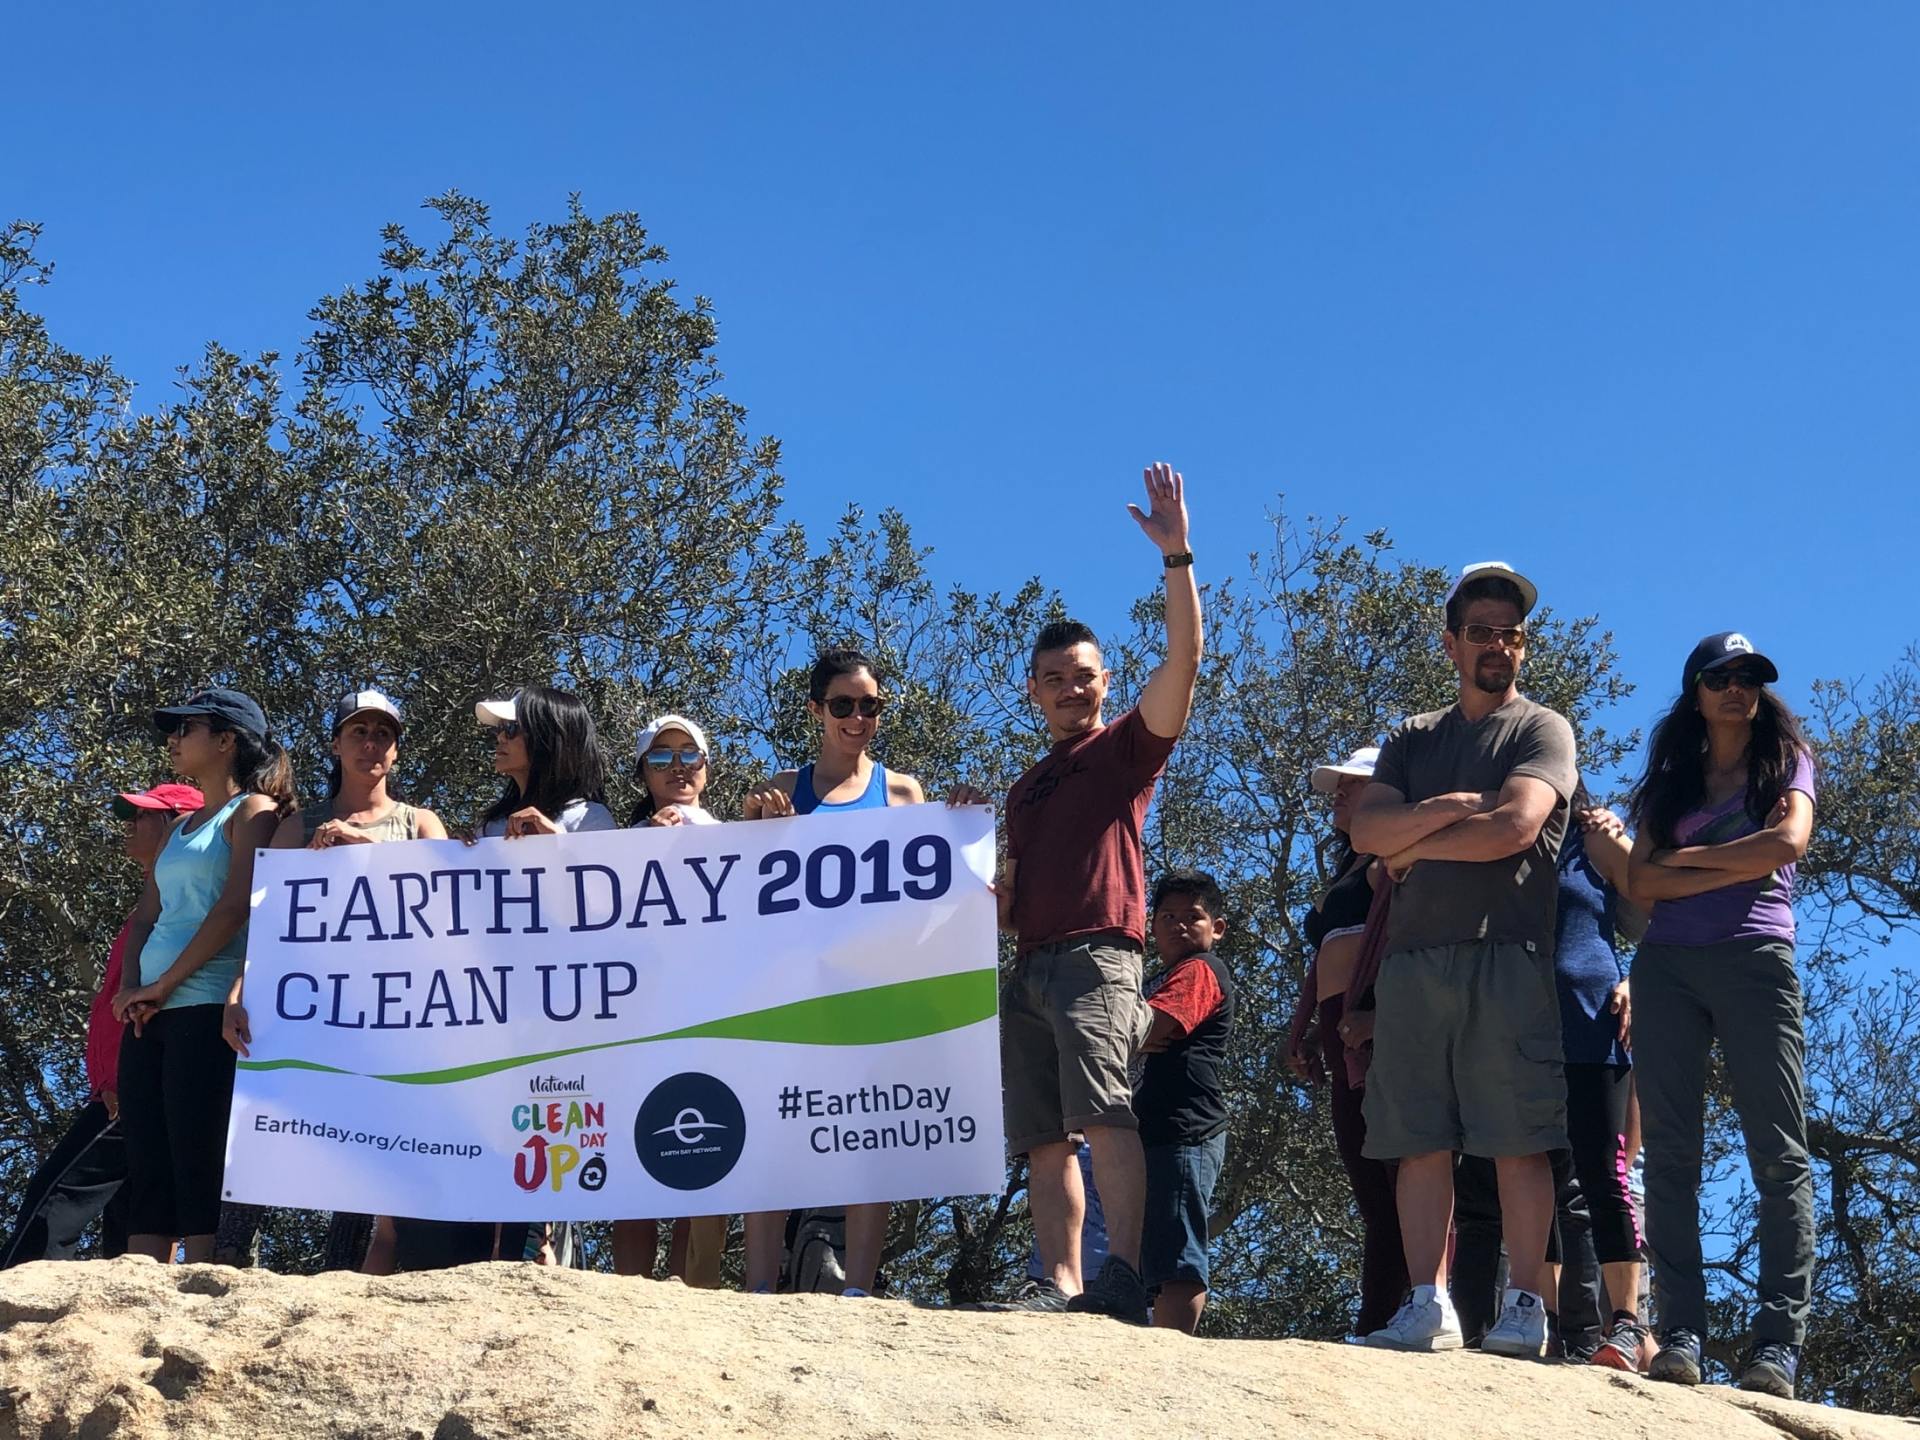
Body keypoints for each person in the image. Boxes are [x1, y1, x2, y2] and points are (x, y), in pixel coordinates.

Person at [961, 462, 1204, 1324]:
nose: (1072, 688)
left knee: (1106, 1114)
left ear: (1105, 682)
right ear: (1033, 691)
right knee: (1038, 1136)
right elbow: (1002, 901)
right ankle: (1057, 1281)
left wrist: (1177, 559)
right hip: (1027, 965)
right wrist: (952, 852)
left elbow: (1184, 660)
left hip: (1101, 956)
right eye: (1056, 678)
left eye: (1086, 675)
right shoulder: (1024, 788)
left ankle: (1125, 1279)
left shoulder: (1124, 751)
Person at [1348, 562, 1577, 1359]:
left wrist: (1414, 839)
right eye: (1481, 632)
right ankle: (1426, 1304)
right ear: (1451, 642)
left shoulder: (1541, 729)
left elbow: (1514, 827)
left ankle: (1524, 1307)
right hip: (1413, 963)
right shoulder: (1414, 737)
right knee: (1418, 1139)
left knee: (1517, 1137)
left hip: (1506, 956)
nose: (1498, 646)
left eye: (1511, 634)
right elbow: (1366, 834)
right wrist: (1444, 812)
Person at [1626, 632, 1816, 1398]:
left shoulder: (1787, 762)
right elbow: (1641, 883)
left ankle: (1777, 1348)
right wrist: (1739, 854)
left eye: (1749, 677)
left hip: (1755, 962)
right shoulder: (1669, 782)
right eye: (1719, 677)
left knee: (1778, 1152)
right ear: (1695, 692)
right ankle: (1679, 1335)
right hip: (1667, 969)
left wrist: (1688, 863)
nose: (1736, 688)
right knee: (1670, 1157)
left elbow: (1788, 841)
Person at [219, 688, 448, 1271]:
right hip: (313, 1011)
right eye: (359, 732)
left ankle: (349, 1290)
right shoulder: (298, 825)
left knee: (371, 1171)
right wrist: (239, 992)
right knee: (268, 1142)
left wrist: (363, 849)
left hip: (394, 1017)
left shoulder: (420, 823)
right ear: (336, 744)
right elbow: (271, 924)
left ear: (396, 752)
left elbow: (446, 910)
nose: (371, 744)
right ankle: (230, 1274)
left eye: (382, 735)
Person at [741, 651, 927, 1296]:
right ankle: (760, 1285)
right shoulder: (772, 794)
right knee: (772, 1129)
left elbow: (925, 895)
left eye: (869, 705)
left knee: (869, 1129)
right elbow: (740, 901)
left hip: (869, 988)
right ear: (816, 709)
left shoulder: (904, 794)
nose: (857, 717)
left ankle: (861, 1288)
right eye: (843, 705)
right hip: (788, 990)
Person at [111, 688, 296, 1264]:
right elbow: (147, 915)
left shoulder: (255, 813)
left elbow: (238, 906)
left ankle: (210, 1292)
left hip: (207, 1006)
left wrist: (162, 986)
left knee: (199, 1158)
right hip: (148, 1011)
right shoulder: (181, 824)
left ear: (225, 740)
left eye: (185, 728)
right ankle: (140, 1298)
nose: (172, 739)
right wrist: (130, 989)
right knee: (147, 1163)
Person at [1, 782, 203, 1267]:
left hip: (129, 1088)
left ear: (180, 827)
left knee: (54, 1203)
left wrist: (119, 1082)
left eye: (143, 817)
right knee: (134, 1222)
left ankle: (15, 1305)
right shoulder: (150, 910)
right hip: (123, 1086)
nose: (130, 827)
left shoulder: (185, 910)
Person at [1287, 746, 1408, 1337]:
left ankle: (1405, 1310)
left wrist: (1379, 1013)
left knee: (1400, 1171)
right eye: (1336, 783)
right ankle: (1385, 1313)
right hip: (1342, 1030)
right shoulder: (1348, 870)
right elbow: (1324, 955)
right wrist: (1304, 1025)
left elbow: (1406, 941)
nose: (1338, 791)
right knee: (1367, 1177)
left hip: (1382, 1022)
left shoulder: (1398, 860)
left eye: (1353, 783)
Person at [612, 714, 728, 1287]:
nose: (678, 767)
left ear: (707, 768)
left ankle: (693, 1287)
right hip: (638, 1017)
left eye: (689, 755)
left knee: (708, 1147)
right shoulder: (618, 844)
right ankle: (629, 1287)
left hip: (717, 1014)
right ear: (643, 773)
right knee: (634, 1151)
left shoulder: (741, 837)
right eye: (661, 758)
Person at [1134, 869, 1236, 1333]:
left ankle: (1172, 1349)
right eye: (1166, 916)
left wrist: (1133, 1029)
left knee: (1177, 1250)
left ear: (1217, 928)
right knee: (1155, 1244)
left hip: (1186, 1127)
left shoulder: (1200, 970)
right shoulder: (1165, 974)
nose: (1177, 925)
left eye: (1191, 916)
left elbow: (1158, 1027)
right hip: (1159, 1128)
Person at [476, 686, 618, 838]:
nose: (500, 737)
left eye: (511, 728)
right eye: (500, 728)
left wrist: (557, 842)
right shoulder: (490, 826)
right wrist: (456, 849)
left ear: (548, 739)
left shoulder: (589, 819)